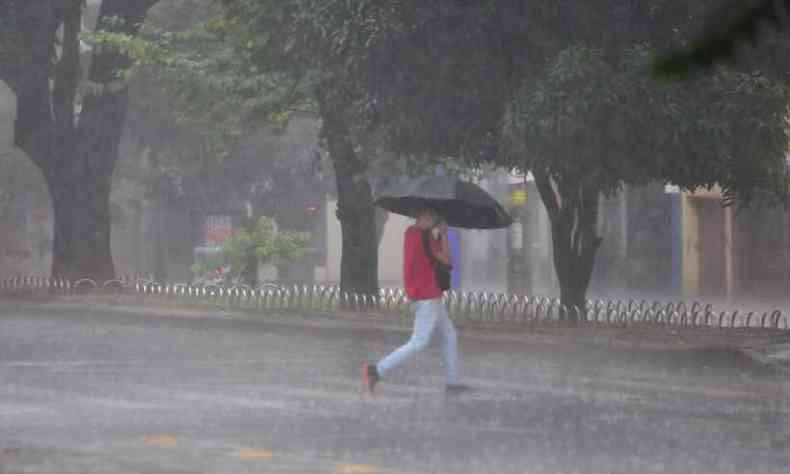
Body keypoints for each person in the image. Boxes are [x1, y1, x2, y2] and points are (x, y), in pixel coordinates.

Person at [362, 207, 471, 397]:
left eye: (433, 218)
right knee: (419, 341)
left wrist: (436, 234)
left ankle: (452, 382)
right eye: (428, 217)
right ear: (420, 217)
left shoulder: (410, 233)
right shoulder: (427, 238)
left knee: (449, 336)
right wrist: (444, 235)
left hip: (421, 294)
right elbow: (448, 261)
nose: (431, 221)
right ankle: (377, 370)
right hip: (427, 297)